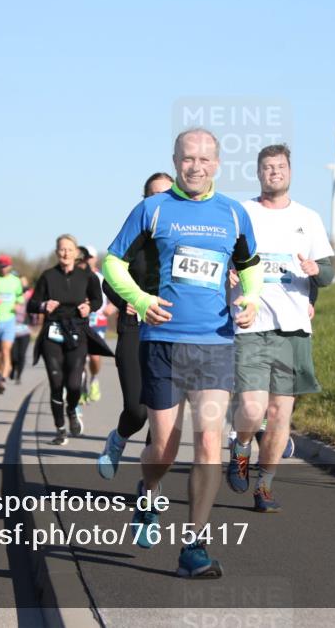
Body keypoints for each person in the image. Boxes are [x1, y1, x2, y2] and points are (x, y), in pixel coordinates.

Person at [103, 129, 263, 578]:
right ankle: (148, 492)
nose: (196, 166)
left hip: (215, 341)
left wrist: (249, 301)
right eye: (187, 158)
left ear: (217, 164)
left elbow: (251, 269)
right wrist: (139, 299)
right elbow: (112, 262)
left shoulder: (233, 214)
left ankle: (193, 544)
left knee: (210, 441)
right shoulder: (152, 209)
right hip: (164, 343)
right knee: (165, 447)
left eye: (204, 159)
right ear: (175, 160)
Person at [225, 144, 335, 513]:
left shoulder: (309, 218)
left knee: (280, 415)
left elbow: (329, 272)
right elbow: (222, 253)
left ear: (290, 172)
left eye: (280, 166)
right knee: (253, 410)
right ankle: (240, 447)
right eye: (267, 167)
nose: (274, 172)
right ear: (258, 174)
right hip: (250, 322)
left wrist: (316, 274)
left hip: (293, 329)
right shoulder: (242, 213)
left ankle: (265, 486)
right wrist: (227, 269)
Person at [97, 172, 173, 479]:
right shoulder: (136, 237)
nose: (160, 201)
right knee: (137, 410)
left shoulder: (180, 240)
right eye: (153, 196)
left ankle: (150, 484)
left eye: (167, 195)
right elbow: (109, 278)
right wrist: (125, 299)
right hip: (134, 326)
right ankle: (118, 438)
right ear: (144, 201)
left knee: (161, 415)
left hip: (170, 329)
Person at [28, 234, 110, 446]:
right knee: (56, 383)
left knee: (73, 384)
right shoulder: (47, 276)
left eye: (69, 249)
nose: (65, 253)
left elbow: (97, 299)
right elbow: (32, 303)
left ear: (76, 253)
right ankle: (60, 429)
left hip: (77, 332)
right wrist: (43, 306)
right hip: (52, 333)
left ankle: (72, 409)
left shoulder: (87, 276)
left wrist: (88, 307)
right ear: (57, 252)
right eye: (61, 249)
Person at [0, 254, 24, 394]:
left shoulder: (15, 281)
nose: (3, 269)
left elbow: (20, 296)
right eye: (1, 266)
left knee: (6, 349)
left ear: (10, 266)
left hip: (9, 319)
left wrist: (18, 304)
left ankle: (3, 379)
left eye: (6, 266)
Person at [83, 245, 115, 403]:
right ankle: (80, 385)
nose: (87, 260)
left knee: (94, 357)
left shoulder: (103, 277)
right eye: (84, 257)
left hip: (97, 320)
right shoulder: (75, 276)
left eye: (89, 257)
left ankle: (94, 378)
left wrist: (113, 306)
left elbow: (117, 296)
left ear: (95, 259)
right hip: (79, 321)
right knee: (80, 357)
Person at [9, 276, 33, 385]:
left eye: (24, 282)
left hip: (25, 330)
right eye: (20, 282)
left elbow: (34, 313)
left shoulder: (30, 299)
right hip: (12, 330)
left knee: (22, 355)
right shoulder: (12, 296)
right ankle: (13, 367)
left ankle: (19, 375)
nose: (23, 285)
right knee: (13, 355)